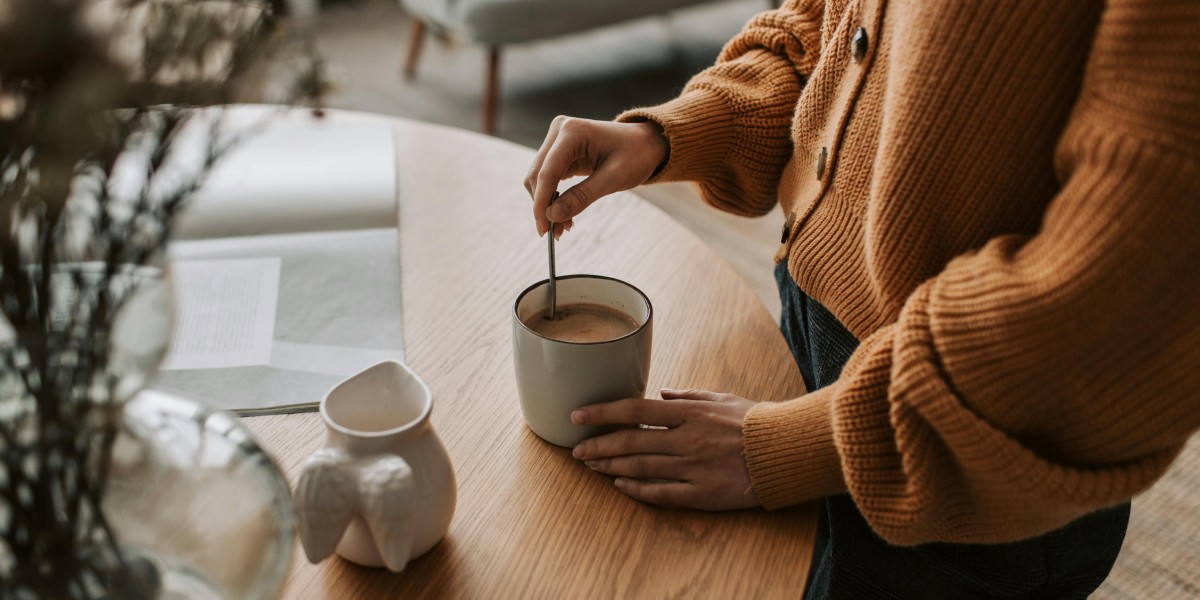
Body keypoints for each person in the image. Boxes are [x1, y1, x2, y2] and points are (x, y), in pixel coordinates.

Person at [522, 0, 1200, 598]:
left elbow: (1123, 295)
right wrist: (672, 132)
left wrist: (802, 447)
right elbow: (830, 25)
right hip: (809, 341)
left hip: (969, 458)